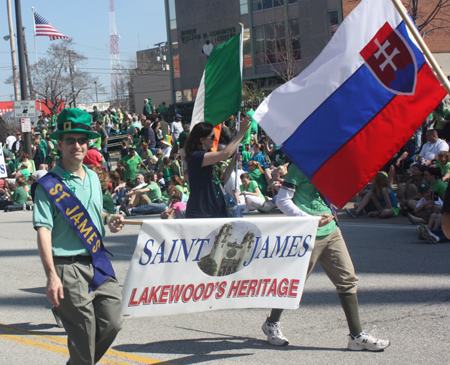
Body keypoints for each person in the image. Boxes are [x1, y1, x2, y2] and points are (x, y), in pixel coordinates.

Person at [261, 163, 389, 351]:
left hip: (331, 231)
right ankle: (271, 323)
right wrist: (309, 219)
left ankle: (356, 336)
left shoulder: (331, 167)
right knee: (294, 282)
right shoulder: (299, 168)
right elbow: (282, 200)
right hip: (307, 233)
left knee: (347, 280)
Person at [32, 108, 125, 364]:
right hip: (67, 267)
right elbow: (43, 231)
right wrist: (51, 276)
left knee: (113, 321)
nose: (77, 145)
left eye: (82, 140)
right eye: (70, 140)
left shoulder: (95, 177)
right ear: (59, 143)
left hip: (97, 262)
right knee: (84, 334)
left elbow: (96, 211)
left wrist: (109, 219)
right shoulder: (48, 185)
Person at [184, 119, 250, 218]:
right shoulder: (196, 157)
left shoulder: (209, 158)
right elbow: (225, 154)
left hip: (218, 210)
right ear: (201, 139)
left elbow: (221, 181)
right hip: (201, 212)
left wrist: (232, 164)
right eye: (212, 137)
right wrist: (241, 133)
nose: (215, 139)